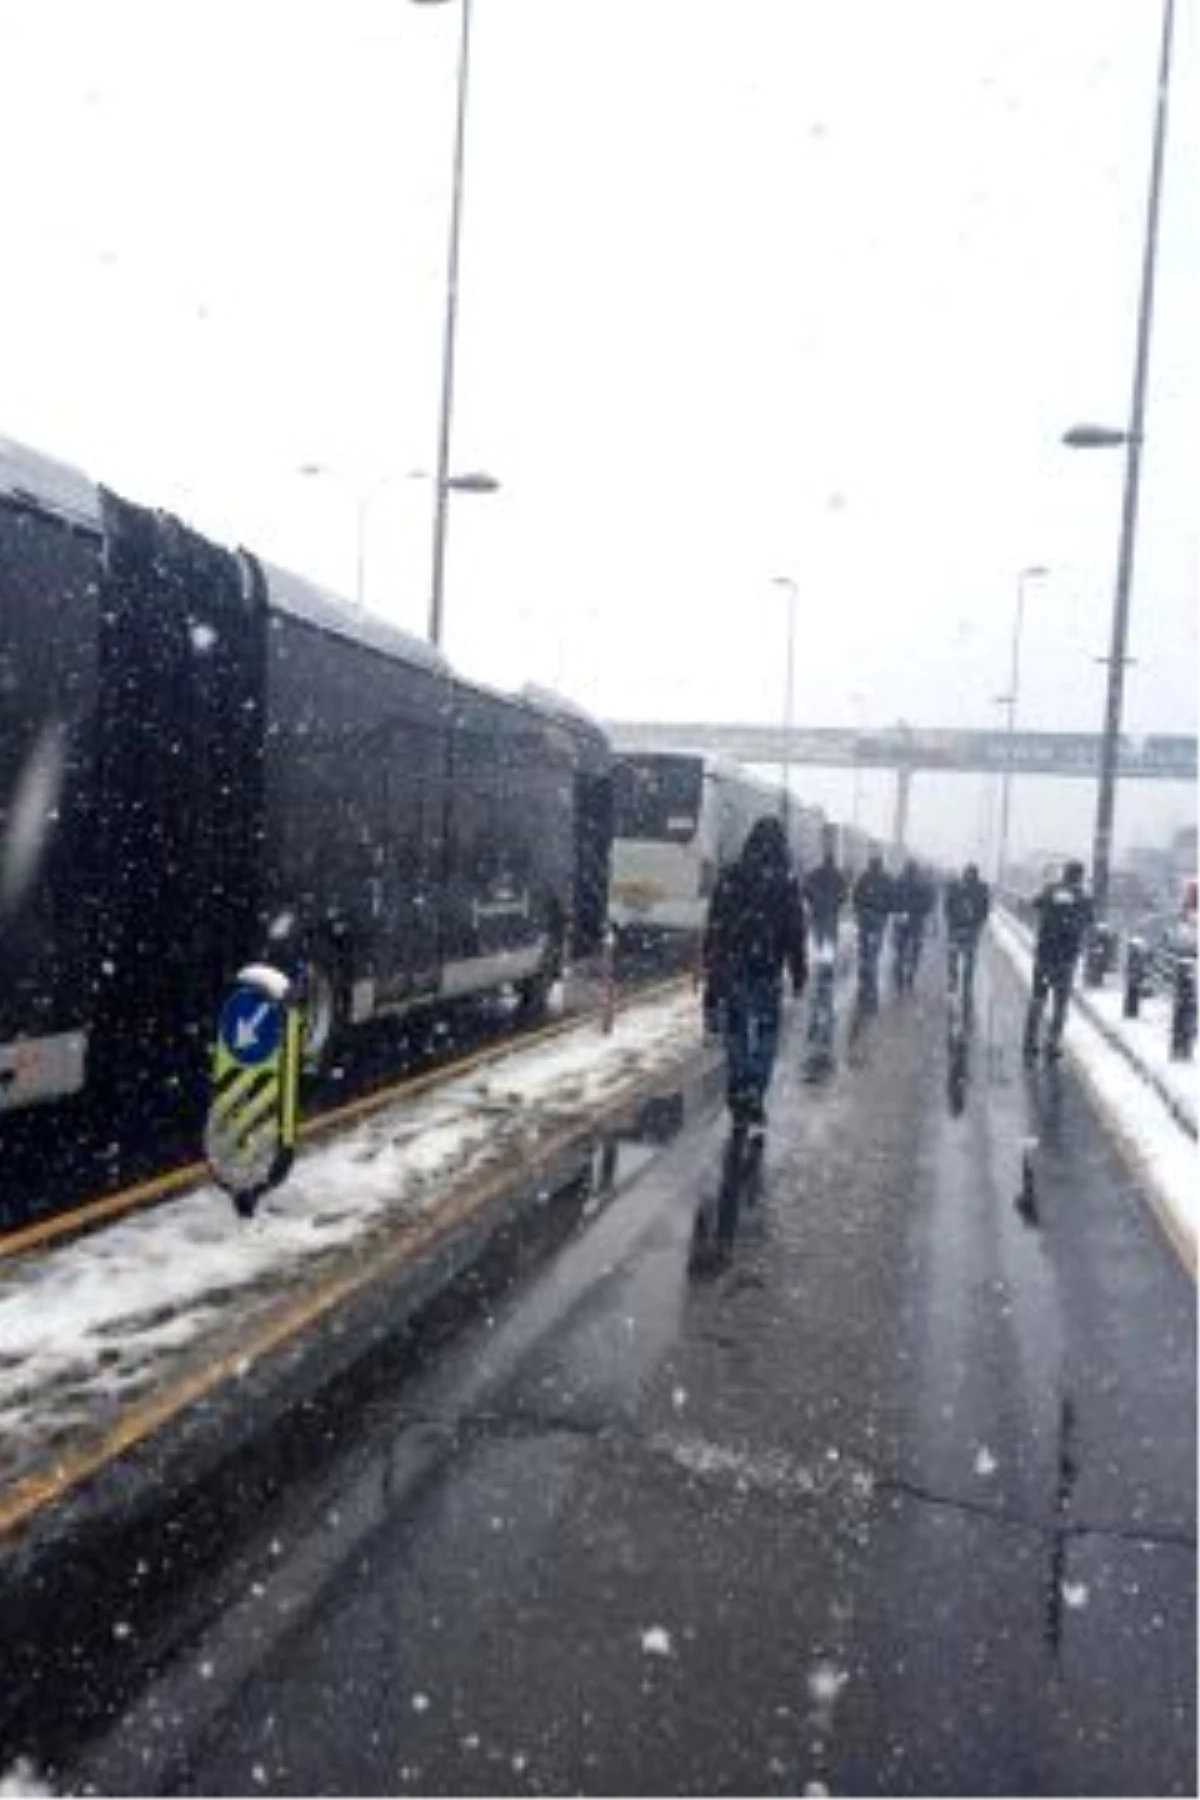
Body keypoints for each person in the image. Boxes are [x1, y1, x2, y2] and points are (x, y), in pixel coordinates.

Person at [702, 815, 808, 1140]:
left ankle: (738, 1089)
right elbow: (795, 931)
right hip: (768, 968)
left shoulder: (732, 874)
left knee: (735, 1030)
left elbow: (716, 921)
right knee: (765, 1033)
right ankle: (756, 1091)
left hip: (734, 965)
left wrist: (713, 961)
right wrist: (798, 968)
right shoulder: (786, 881)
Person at [1023, 860, 1093, 1062]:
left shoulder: (1050, 890)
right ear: (1079, 876)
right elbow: (1089, 920)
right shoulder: (1083, 898)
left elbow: (1034, 903)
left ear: (1064, 873)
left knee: (1037, 1000)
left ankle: (1029, 1042)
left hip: (1045, 954)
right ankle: (1052, 1044)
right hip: (1066, 958)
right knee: (1060, 1005)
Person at [802, 827, 848, 1060]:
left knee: (821, 941)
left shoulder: (815, 874)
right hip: (829, 917)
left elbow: (805, 889)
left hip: (819, 916)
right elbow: (844, 895)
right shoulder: (838, 876)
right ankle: (825, 971)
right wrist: (834, 905)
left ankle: (822, 966)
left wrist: (815, 902)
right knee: (828, 943)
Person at [944, 862, 991, 1013]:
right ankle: (967, 985)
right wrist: (978, 924)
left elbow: (948, 905)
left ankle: (953, 982)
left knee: (953, 956)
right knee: (969, 957)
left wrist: (950, 923)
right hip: (971, 930)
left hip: (956, 929)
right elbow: (985, 909)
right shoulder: (982, 888)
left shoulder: (956, 886)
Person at [851, 851, 894, 1014]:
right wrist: (884, 913)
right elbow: (892, 901)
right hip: (878, 922)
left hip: (865, 921)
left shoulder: (864, 877)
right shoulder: (886, 879)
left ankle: (863, 985)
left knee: (863, 953)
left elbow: (855, 897)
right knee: (873, 955)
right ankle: (871, 992)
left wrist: (861, 911)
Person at [891, 858, 935, 992]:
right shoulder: (923, 883)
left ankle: (899, 977)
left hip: (900, 920)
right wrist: (919, 911)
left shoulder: (899, 880)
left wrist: (900, 910)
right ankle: (911, 975)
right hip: (917, 921)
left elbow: (892, 898)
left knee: (900, 949)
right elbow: (929, 902)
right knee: (916, 949)